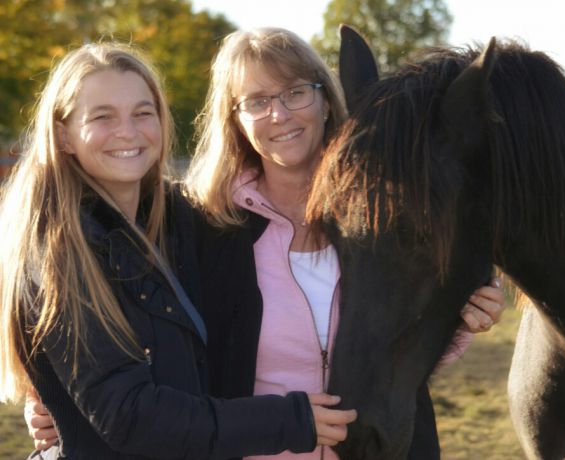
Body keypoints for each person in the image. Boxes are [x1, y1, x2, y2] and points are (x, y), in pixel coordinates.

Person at [25, 28, 505, 458]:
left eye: (295, 92)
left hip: (383, 447)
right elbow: (146, 348)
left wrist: (462, 321)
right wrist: (55, 401)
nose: (278, 114)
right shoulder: (200, 223)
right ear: (235, 119)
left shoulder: (381, 214)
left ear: (324, 99)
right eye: (256, 100)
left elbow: (396, 344)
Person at [0, 42, 357, 459]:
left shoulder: (176, 223)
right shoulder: (58, 251)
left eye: (142, 112)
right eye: (102, 117)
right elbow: (129, 415)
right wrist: (290, 421)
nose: (128, 132)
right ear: (62, 135)